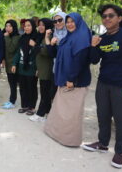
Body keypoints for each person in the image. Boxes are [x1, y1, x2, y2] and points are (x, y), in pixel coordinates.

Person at [82, 4, 122, 169]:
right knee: (102, 115)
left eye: (111, 15)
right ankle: (103, 144)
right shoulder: (102, 38)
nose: (107, 19)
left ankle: (120, 152)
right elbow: (94, 60)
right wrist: (93, 45)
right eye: (104, 16)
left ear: (120, 18)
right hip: (103, 83)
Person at [44, 12, 91, 147]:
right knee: (61, 110)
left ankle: (69, 140)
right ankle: (57, 135)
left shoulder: (81, 38)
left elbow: (79, 61)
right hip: (64, 78)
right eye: (68, 21)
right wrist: (50, 42)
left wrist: (71, 79)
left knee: (71, 115)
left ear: (79, 22)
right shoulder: (68, 37)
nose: (69, 24)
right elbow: (56, 54)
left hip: (74, 82)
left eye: (72, 21)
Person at [29, 18, 54, 122]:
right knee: (45, 92)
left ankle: (40, 113)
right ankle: (47, 113)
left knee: (45, 93)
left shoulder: (49, 37)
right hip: (42, 68)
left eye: (43, 25)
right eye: (39, 25)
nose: (40, 27)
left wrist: (35, 45)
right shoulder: (41, 37)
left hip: (47, 69)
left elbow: (46, 52)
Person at [11, 19, 38, 115]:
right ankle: (25, 105)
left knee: (31, 88)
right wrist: (14, 64)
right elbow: (18, 52)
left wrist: (34, 45)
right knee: (22, 88)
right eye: (25, 26)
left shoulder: (36, 38)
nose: (26, 27)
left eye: (29, 25)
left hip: (31, 68)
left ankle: (32, 107)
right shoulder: (22, 38)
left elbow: (38, 54)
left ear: (33, 27)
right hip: (22, 68)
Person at [2, 19, 20, 109]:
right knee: (11, 83)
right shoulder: (8, 36)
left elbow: (11, 49)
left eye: (10, 26)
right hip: (8, 63)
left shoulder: (17, 37)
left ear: (14, 27)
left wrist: (6, 37)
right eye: (6, 26)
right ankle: (12, 100)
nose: (7, 28)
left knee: (13, 83)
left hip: (14, 64)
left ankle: (12, 101)